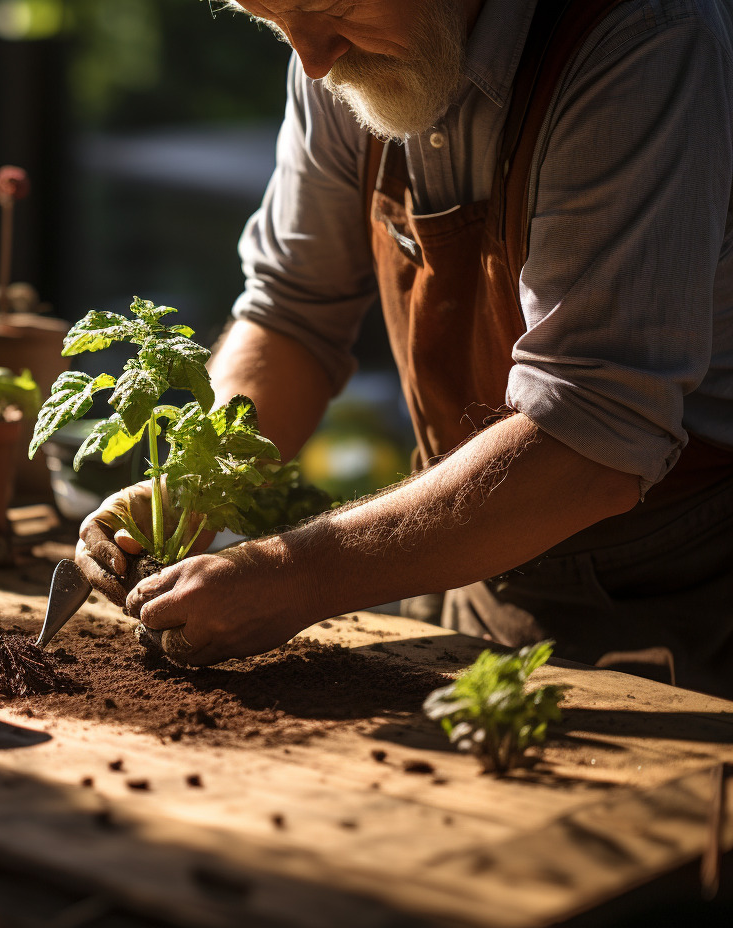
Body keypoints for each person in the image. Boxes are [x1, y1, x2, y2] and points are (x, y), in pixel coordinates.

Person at [75, 0, 733, 698]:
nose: (310, 59)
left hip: (682, 589)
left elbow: (593, 431)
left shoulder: (642, 34)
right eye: (269, 15)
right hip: (466, 564)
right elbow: (293, 313)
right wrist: (192, 486)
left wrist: (300, 574)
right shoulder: (342, 53)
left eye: (329, 7)